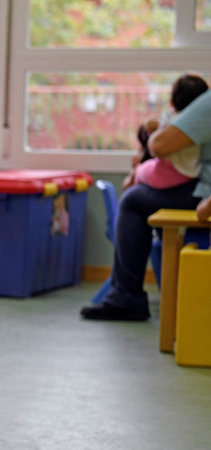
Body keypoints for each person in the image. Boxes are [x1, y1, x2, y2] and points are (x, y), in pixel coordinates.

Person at [81, 88, 211, 321]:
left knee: (133, 200)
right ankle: (164, 290)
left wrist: (153, 135)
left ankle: (126, 297)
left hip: (205, 195)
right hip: (198, 191)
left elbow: (160, 146)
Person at [123, 74, 208, 191]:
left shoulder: (169, 122)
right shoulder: (201, 125)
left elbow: (153, 136)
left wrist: (136, 170)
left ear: (172, 102)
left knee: (139, 176)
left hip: (170, 174)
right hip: (191, 175)